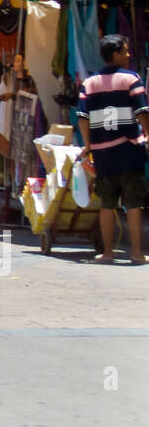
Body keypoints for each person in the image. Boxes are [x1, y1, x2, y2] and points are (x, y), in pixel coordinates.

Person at [78, 34, 149, 264]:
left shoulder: (89, 83)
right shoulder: (131, 79)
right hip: (129, 151)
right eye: (126, 51)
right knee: (134, 204)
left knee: (107, 204)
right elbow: (142, 111)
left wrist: (88, 144)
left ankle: (108, 253)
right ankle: (137, 253)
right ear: (116, 54)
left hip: (103, 154)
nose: (129, 55)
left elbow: (82, 117)